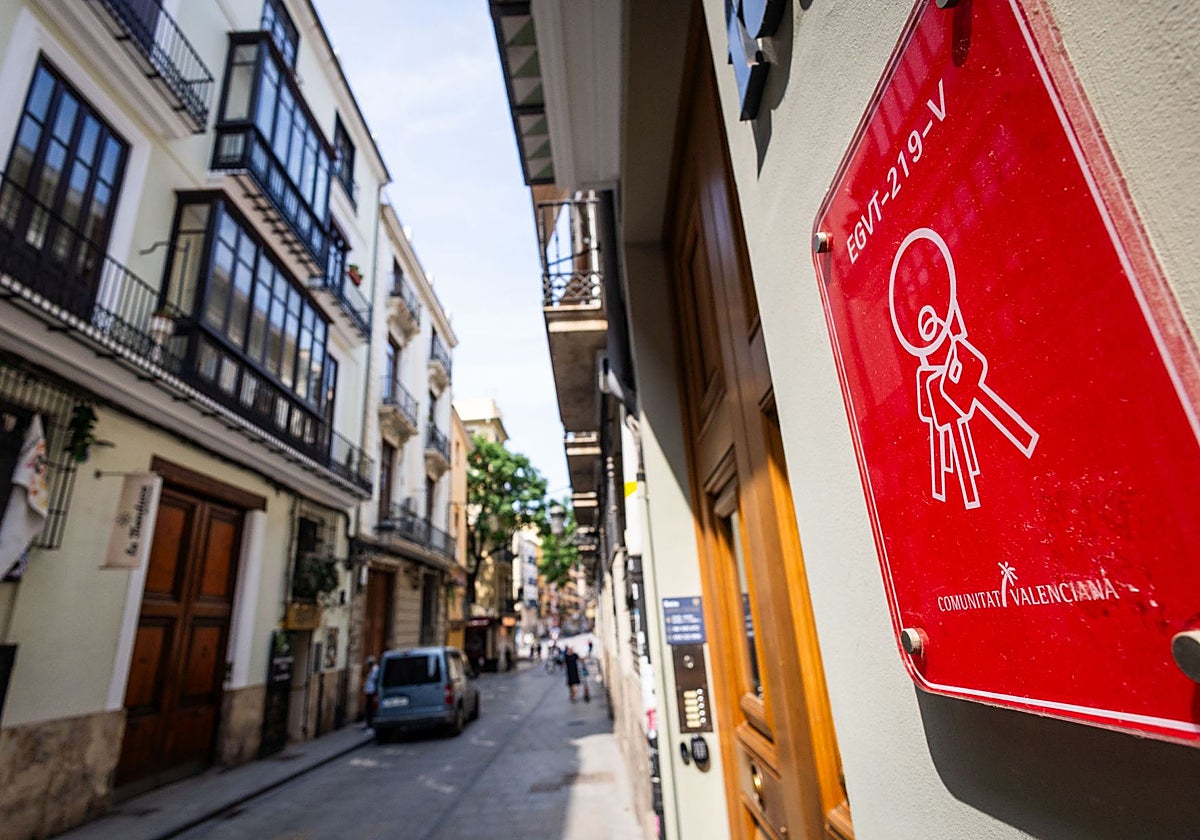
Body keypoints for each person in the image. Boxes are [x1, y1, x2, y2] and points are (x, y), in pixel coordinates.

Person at [363, 656, 379, 730]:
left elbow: (375, 680)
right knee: (368, 708)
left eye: (369, 664)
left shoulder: (376, 670)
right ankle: (368, 724)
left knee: (371, 709)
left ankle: (371, 725)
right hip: (369, 692)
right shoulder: (371, 670)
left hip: (373, 692)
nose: (368, 666)